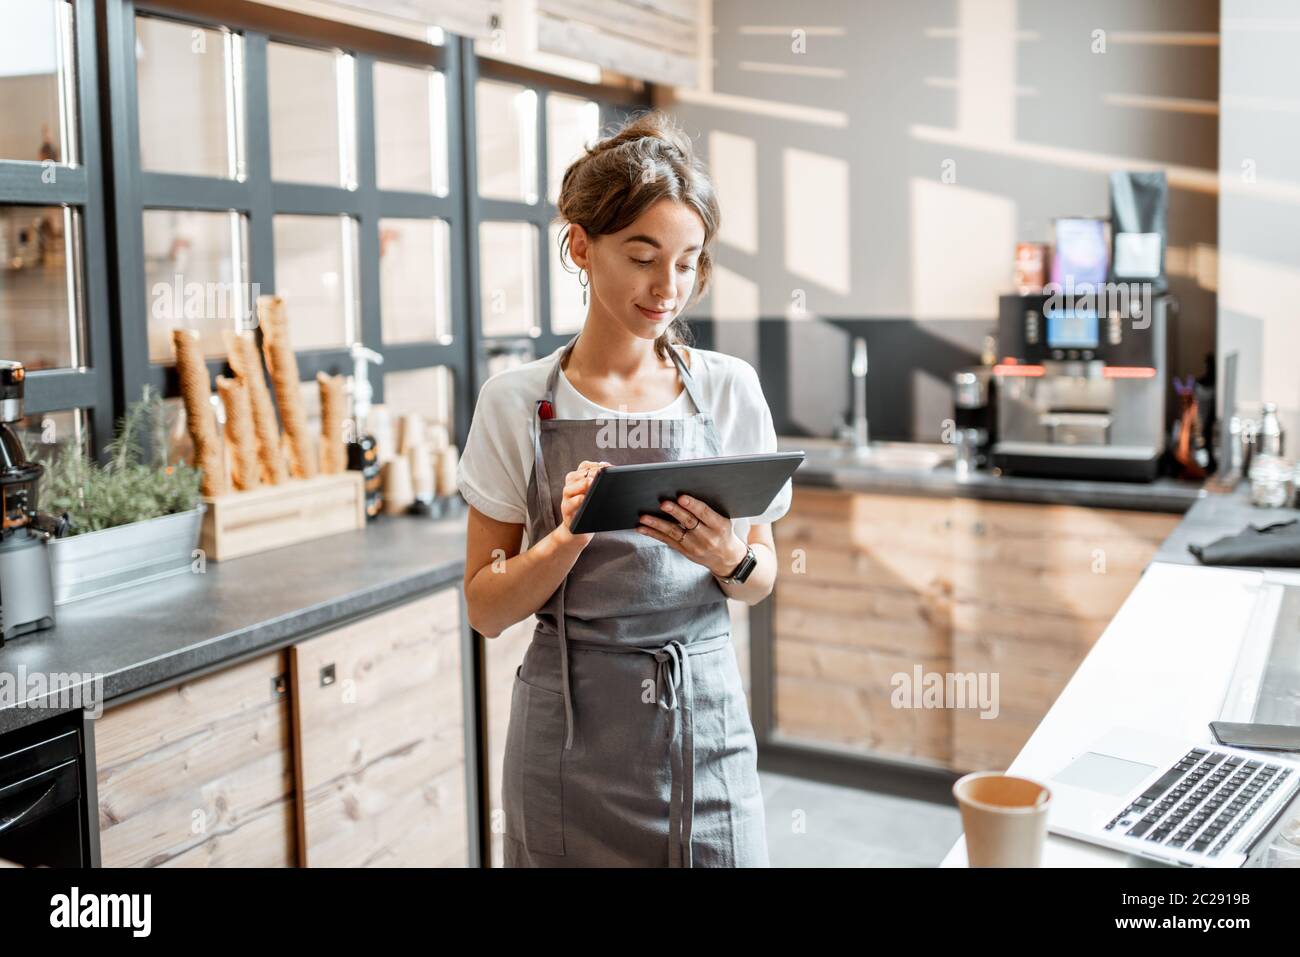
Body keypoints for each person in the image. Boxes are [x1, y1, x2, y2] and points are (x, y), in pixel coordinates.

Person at [458, 109, 790, 867]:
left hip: (701, 727)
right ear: (581, 244)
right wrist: (568, 534)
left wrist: (727, 555)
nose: (666, 287)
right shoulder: (517, 402)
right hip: (565, 743)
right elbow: (485, 605)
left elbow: (761, 576)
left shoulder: (729, 390)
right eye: (642, 256)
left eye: (687, 260)